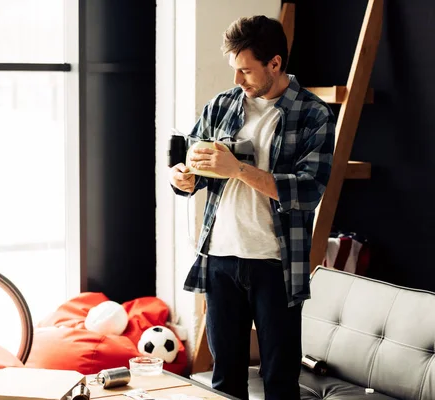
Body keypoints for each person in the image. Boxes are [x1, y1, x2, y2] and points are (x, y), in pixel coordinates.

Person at [169, 16, 335, 400]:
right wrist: (185, 179)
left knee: (279, 380)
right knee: (224, 379)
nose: (237, 81)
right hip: (221, 259)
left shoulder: (313, 115)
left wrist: (239, 169)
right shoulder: (223, 105)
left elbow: (309, 190)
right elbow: (195, 164)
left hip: (275, 263)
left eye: (246, 70)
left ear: (275, 64)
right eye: (234, 69)